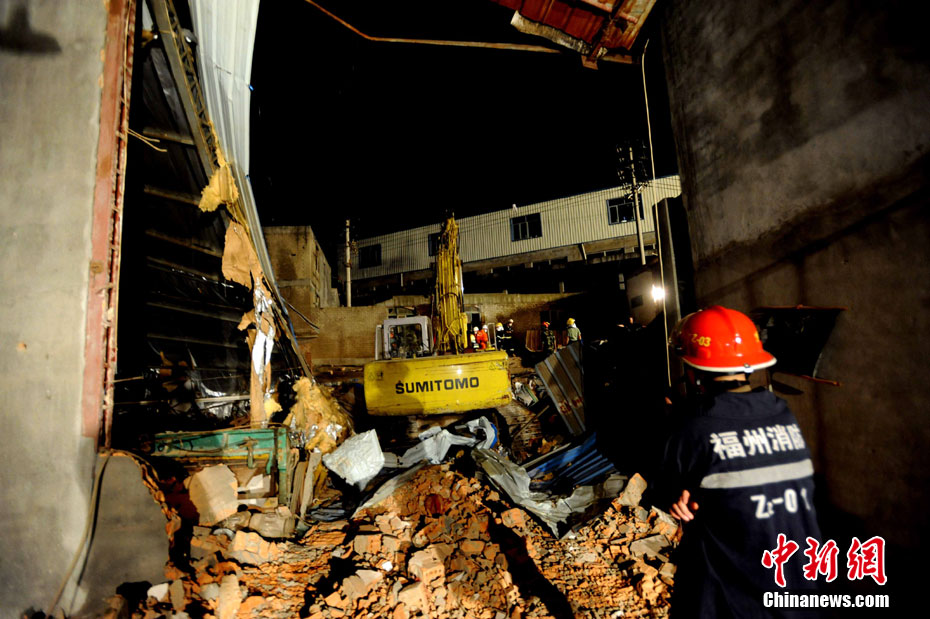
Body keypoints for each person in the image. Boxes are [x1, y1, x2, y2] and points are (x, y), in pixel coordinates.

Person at [659, 306, 822, 618]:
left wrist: (679, 498)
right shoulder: (782, 413)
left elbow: (670, 491)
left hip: (733, 598)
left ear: (693, 370)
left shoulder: (693, 428)